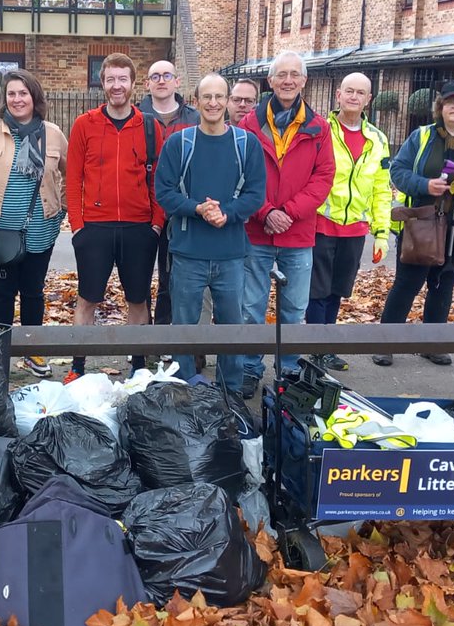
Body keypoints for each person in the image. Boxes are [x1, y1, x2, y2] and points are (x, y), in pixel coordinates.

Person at [373, 79, 454, 367]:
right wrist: (425, 185)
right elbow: (398, 171)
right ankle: (384, 344)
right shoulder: (420, 137)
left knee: (443, 285)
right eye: (449, 102)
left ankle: (433, 344)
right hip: (421, 224)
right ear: (440, 107)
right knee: (407, 284)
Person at [154, 73, 266, 391]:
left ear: (229, 101)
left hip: (230, 253)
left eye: (220, 97)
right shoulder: (179, 144)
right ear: (196, 100)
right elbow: (164, 192)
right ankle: (186, 389)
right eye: (207, 97)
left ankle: (230, 391)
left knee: (231, 326)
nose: (213, 103)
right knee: (185, 327)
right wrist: (197, 209)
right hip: (188, 251)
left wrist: (227, 213)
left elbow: (255, 194)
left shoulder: (247, 145)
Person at [237, 51, 335, 399]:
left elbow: (323, 178)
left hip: (298, 232)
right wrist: (264, 212)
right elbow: (242, 174)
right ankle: (249, 368)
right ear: (271, 80)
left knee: (294, 309)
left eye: (295, 74)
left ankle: (289, 369)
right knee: (251, 308)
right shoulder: (249, 124)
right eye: (282, 74)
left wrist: (289, 213)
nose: (288, 80)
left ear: (304, 81)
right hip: (256, 230)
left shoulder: (319, 127)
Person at [65, 53, 165, 382]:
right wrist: (78, 227)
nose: (116, 85)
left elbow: (158, 180)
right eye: (111, 79)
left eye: (123, 79)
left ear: (133, 84)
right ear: (102, 82)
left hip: (139, 228)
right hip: (94, 228)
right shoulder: (85, 125)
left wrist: (156, 223)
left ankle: (138, 365)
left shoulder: (150, 126)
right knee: (87, 298)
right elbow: (73, 178)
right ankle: (78, 367)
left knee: (138, 299)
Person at [0, 69, 68, 379]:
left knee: (34, 291)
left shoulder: (52, 133)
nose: (17, 99)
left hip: (41, 229)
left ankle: (33, 351)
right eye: (12, 93)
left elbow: (72, 174)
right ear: (4, 98)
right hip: (0, 230)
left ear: (34, 98)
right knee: (3, 292)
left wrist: (62, 207)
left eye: (23, 93)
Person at [305, 72, 392, 372]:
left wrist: (382, 233)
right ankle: (314, 349)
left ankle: (325, 347)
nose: (354, 97)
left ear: (369, 99)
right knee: (317, 289)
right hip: (320, 222)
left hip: (355, 227)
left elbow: (382, 188)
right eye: (349, 91)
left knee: (338, 289)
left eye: (361, 93)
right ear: (338, 95)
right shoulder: (321, 129)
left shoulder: (378, 140)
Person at [138, 59, 199, 331]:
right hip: (140, 208)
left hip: (179, 209)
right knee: (137, 277)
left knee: (170, 277)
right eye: (155, 76)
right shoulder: (135, 116)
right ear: (147, 83)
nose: (161, 80)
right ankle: (140, 335)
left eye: (166, 75)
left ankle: (163, 333)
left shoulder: (194, 118)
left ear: (177, 81)